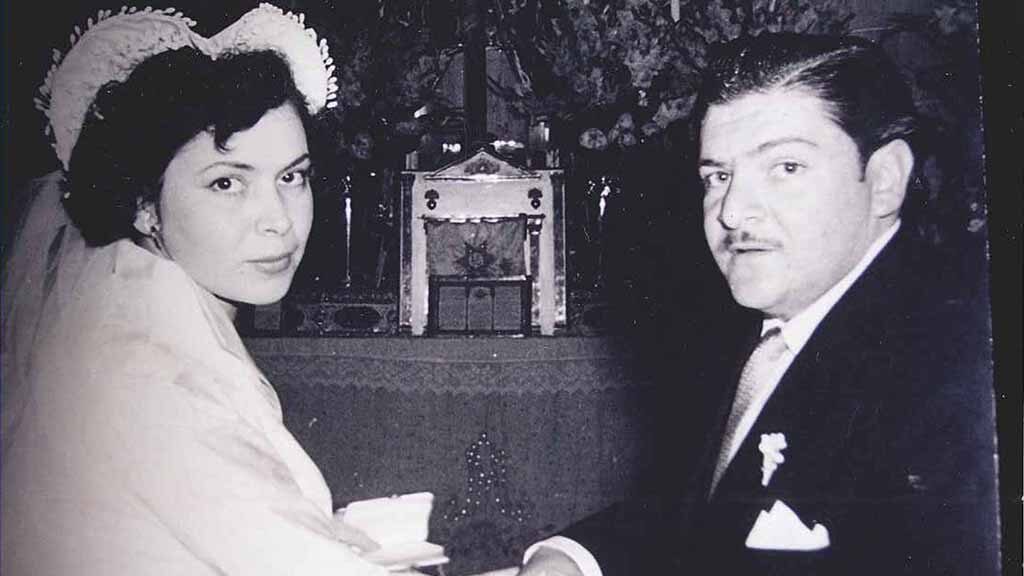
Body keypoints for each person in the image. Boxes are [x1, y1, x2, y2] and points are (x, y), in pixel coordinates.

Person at [517, 32, 999, 575]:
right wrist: (573, 559)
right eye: (718, 176)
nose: (731, 211)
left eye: (785, 168)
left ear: (885, 180)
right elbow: (706, 516)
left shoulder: (957, 370)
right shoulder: (764, 324)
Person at [1, 6, 394, 575]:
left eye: (292, 176)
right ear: (144, 205)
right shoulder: (145, 377)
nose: (278, 220)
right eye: (227, 183)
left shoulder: (153, 326)